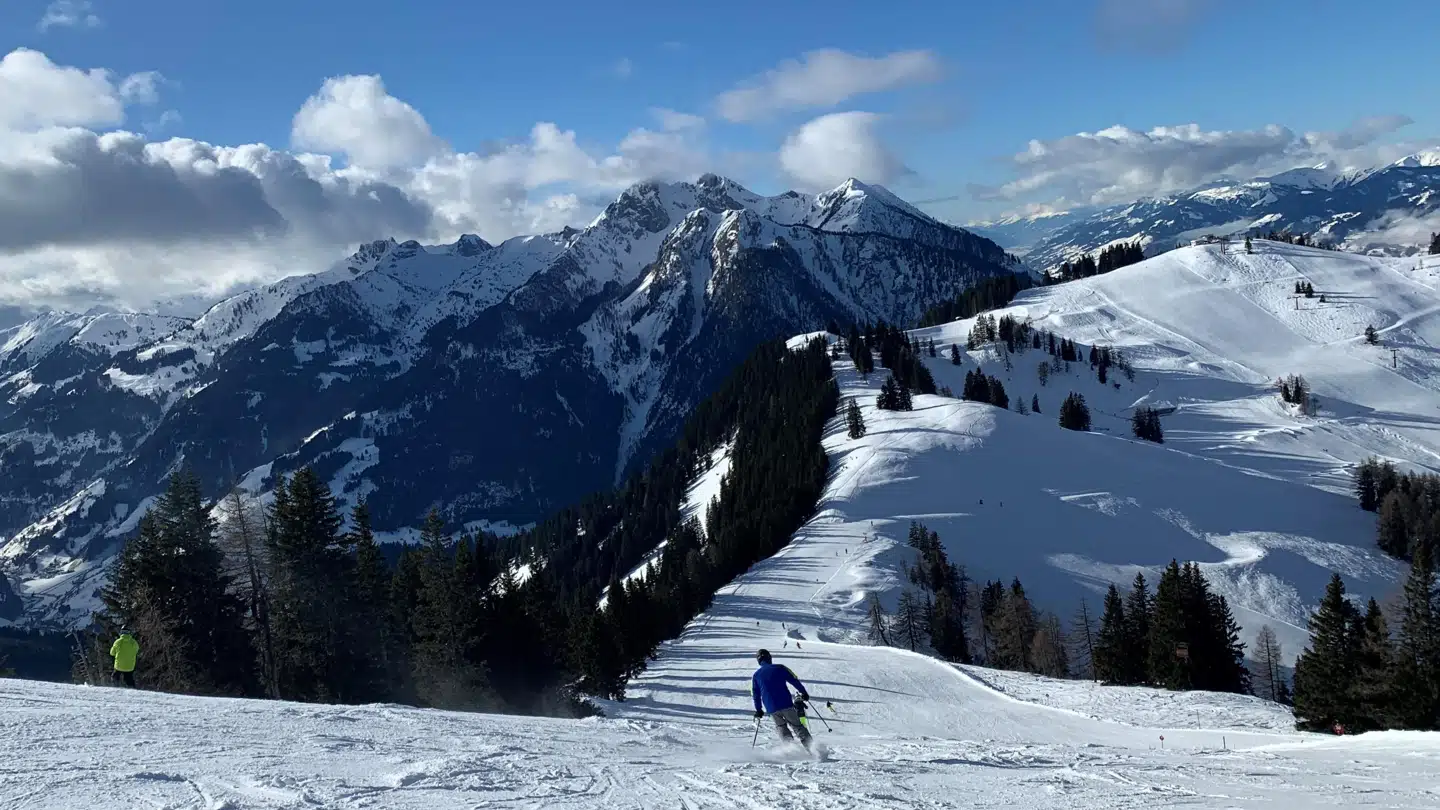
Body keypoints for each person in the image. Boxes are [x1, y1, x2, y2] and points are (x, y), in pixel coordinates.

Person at [751, 649, 812, 747]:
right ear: (769, 658)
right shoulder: (780, 668)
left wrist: (758, 709)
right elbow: (794, 679)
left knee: (781, 727)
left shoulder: (756, 675)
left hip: (771, 708)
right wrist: (803, 692)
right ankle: (813, 749)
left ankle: (791, 750)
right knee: (797, 726)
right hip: (785, 703)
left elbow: (755, 694)